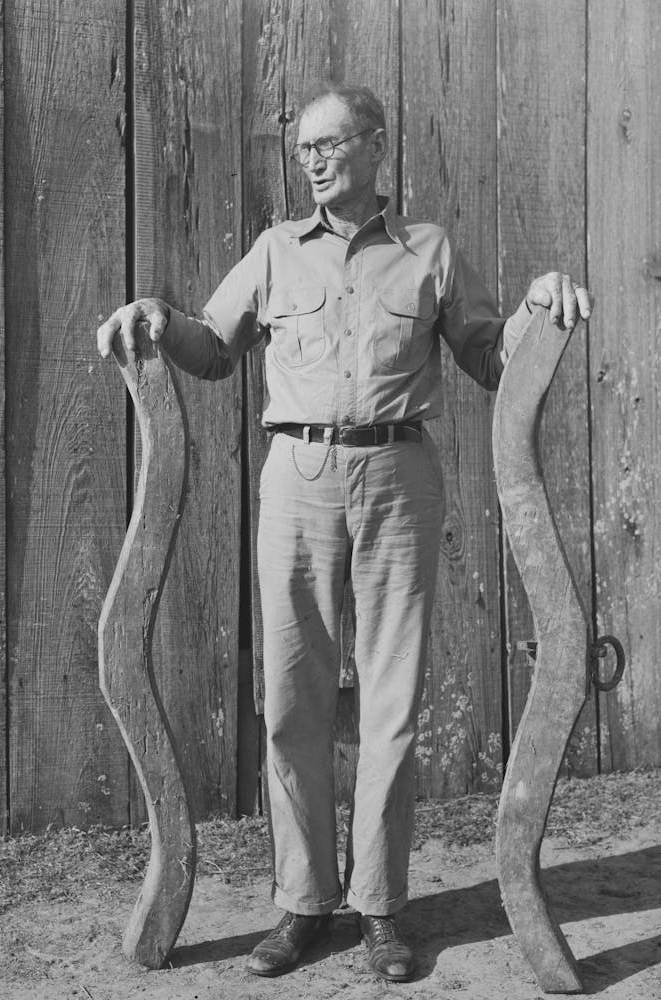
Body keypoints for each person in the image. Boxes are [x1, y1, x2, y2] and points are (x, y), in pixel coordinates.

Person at [97, 82, 592, 984]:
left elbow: (488, 353)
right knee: (293, 702)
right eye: (305, 151)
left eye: (329, 145)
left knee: (393, 705)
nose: (314, 160)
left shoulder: (429, 250)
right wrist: (158, 320)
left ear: (375, 146)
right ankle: (301, 904)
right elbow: (212, 346)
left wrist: (538, 301)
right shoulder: (276, 252)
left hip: (401, 478)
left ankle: (380, 910)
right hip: (298, 481)